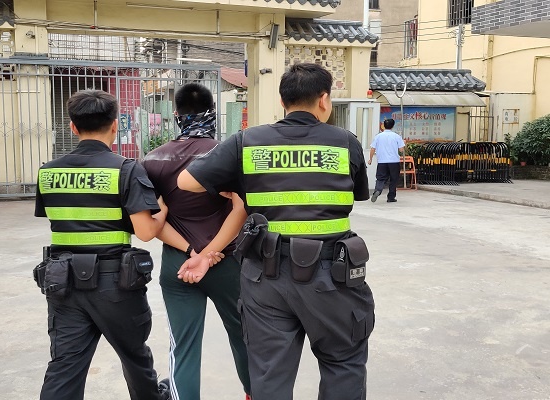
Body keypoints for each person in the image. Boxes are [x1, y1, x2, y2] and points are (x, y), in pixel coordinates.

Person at [177, 63, 375, 400]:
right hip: (333, 276)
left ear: (283, 102)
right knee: (343, 362)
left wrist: (236, 185)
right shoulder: (345, 143)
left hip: (266, 277)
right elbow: (357, 193)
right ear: (323, 100)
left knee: (270, 373)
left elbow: (186, 181)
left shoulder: (247, 142)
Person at [34, 89, 170, 400]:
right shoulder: (125, 169)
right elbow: (145, 232)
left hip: (63, 282)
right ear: (114, 125)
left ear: (73, 126)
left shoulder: (49, 172)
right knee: (134, 356)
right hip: (115, 284)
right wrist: (163, 208)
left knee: (65, 364)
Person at [142, 83, 251, 400]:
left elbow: (154, 222)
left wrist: (191, 251)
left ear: (176, 115)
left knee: (184, 345)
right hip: (226, 260)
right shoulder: (227, 155)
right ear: (213, 113)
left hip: (179, 264)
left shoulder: (153, 160)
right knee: (245, 336)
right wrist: (208, 253)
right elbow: (241, 210)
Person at [367, 118, 405, 203]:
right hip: (394, 161)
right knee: (393, 179)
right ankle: (391, 197)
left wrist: (370, 159)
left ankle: (378, 190)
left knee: (380, 178)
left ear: (384, 126)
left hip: (382, 161)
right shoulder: (396, 136)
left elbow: (372, 149)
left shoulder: (378, 136)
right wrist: (404, 144)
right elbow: (401, 150)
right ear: (393, 126)